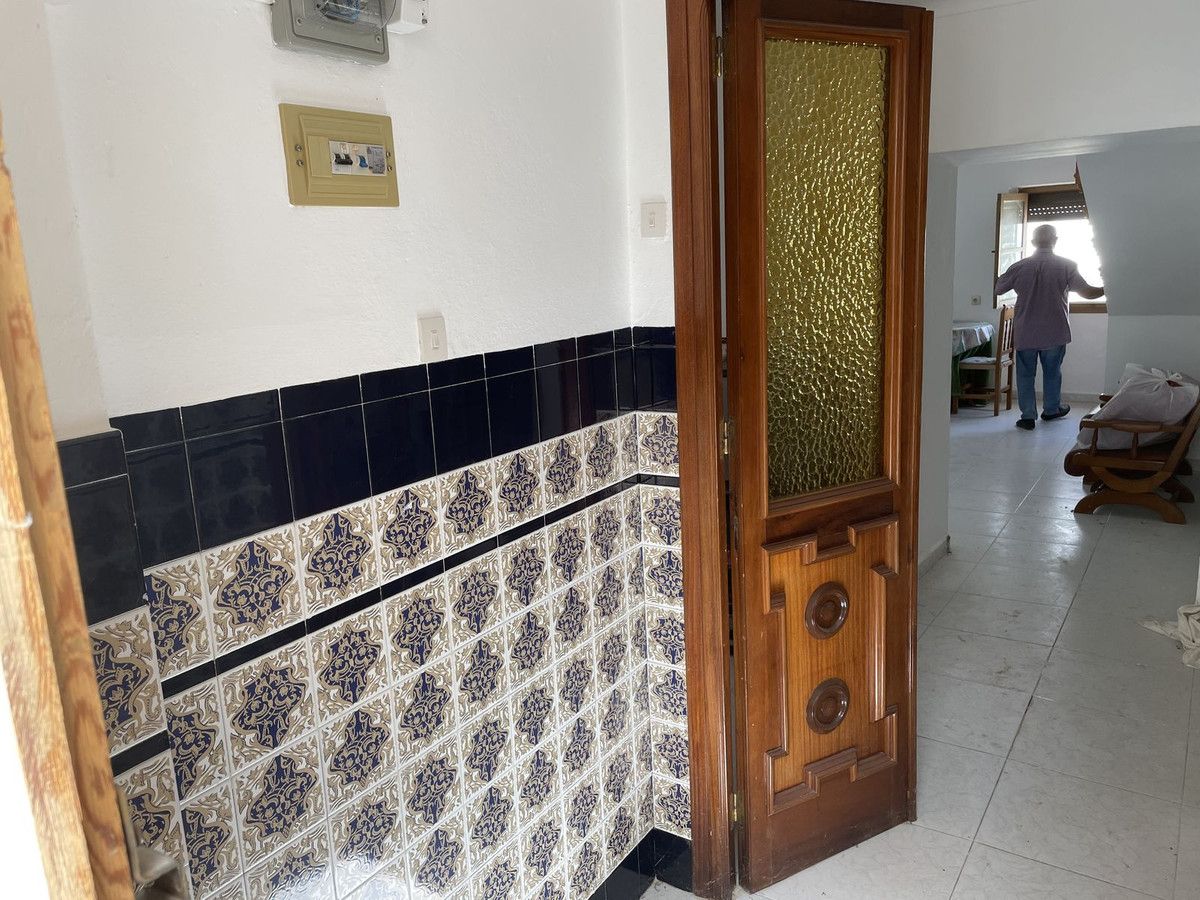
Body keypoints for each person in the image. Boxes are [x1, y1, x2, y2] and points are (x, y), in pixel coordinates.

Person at [994, 224, 1105, 430]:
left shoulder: (1019, 266)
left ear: (1033, 242)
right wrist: (1109, 287)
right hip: (1055, 330)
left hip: (1026, 331)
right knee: (1053, 372)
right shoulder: (1067, 265)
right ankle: (1052, 409)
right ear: (1055, 240)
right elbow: (1088, 293)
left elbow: (999, 289)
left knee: (1025, 375)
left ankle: (1028, 416)